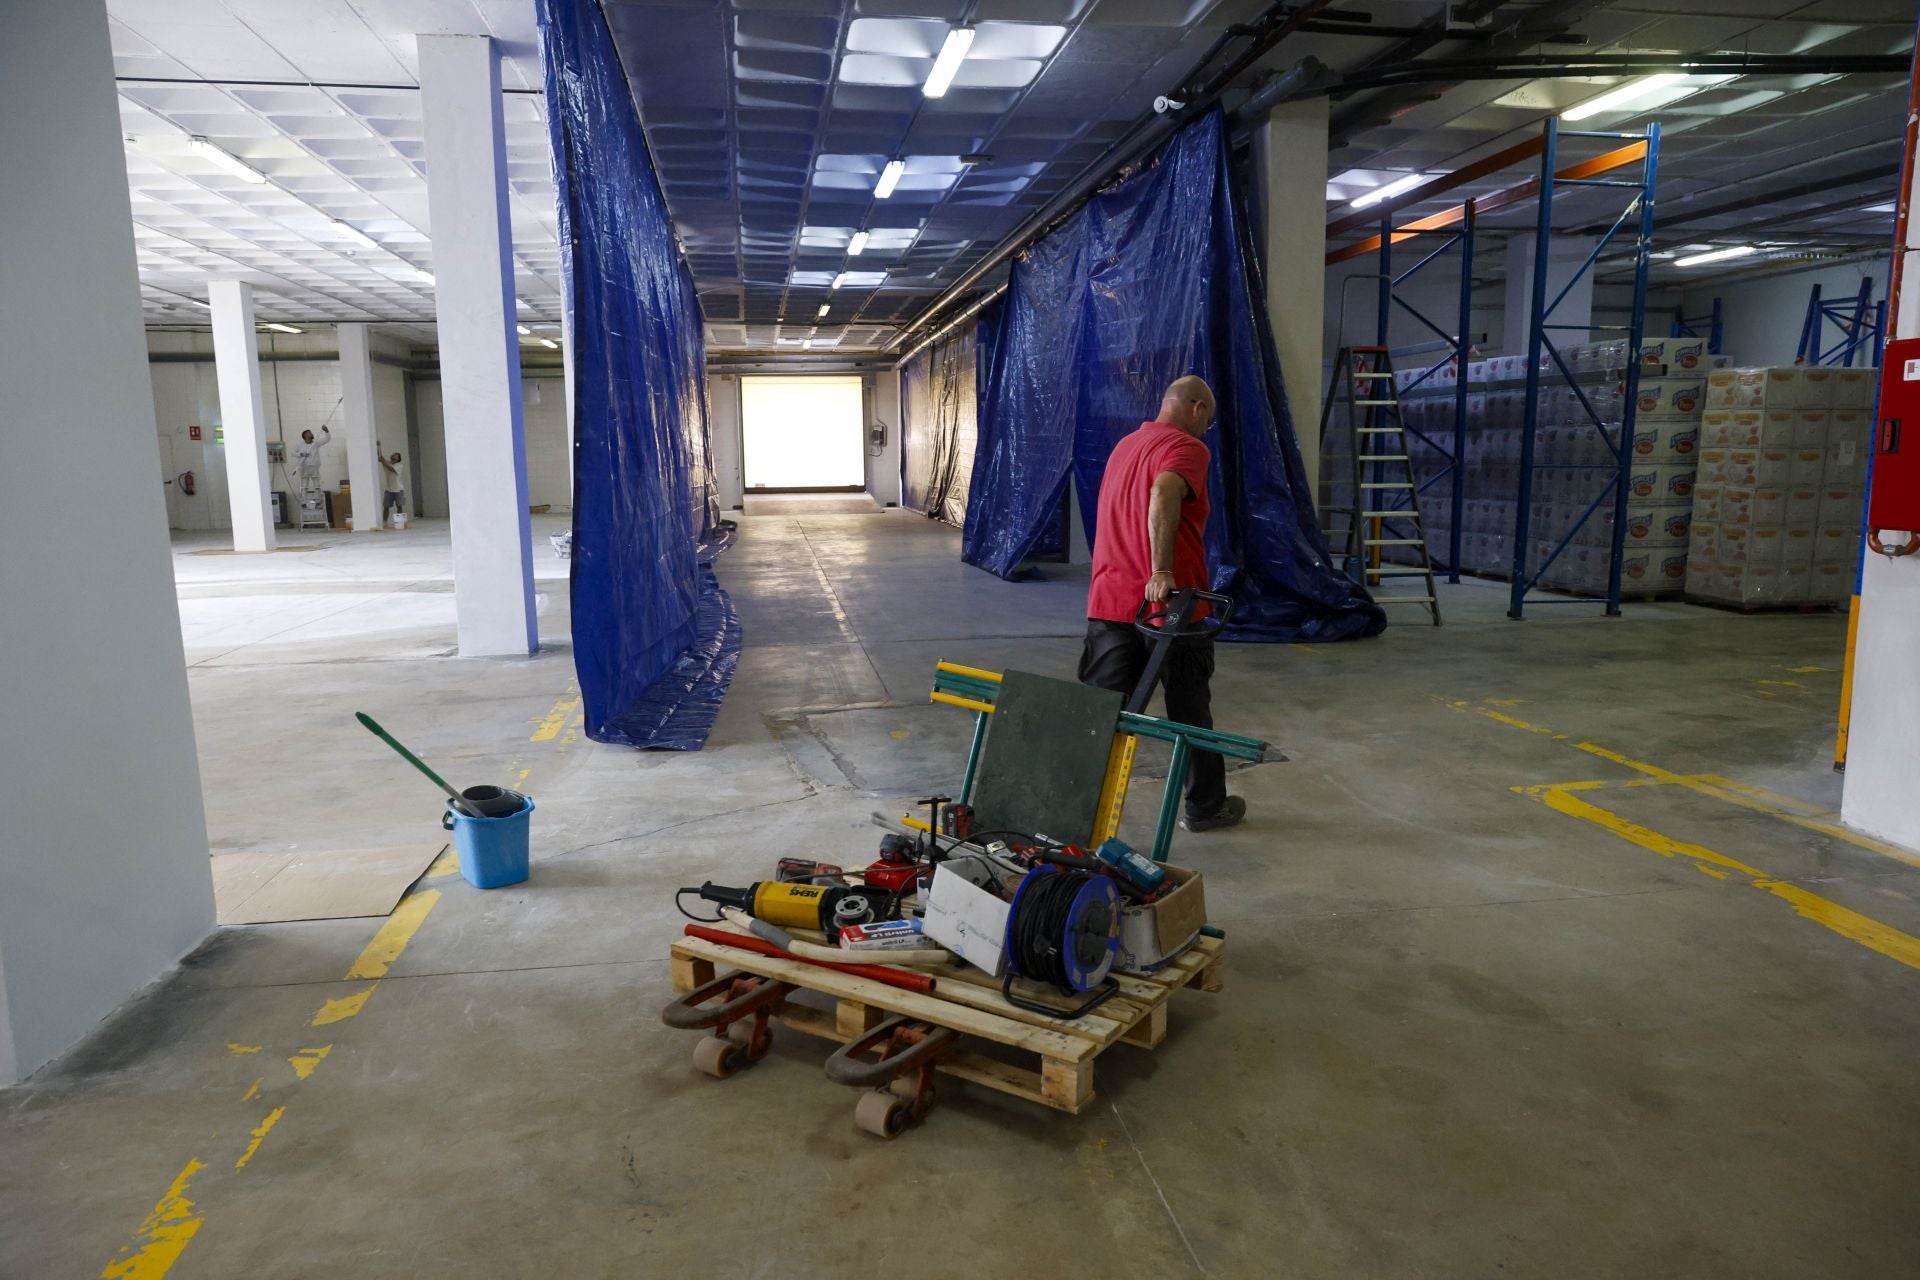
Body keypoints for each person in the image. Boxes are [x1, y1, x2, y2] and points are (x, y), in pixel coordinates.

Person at [1078, 375, 1244, 833]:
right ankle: (1206, 806)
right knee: (1190, 709)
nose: (1208, 426)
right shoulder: (1189, 449)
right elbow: (1164, 492)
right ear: (1195, 406)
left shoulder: (1125, 446)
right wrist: (1161, 570)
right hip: (1170, 607)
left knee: (1100, 712)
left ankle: (1072, 803)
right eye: (1208, 415)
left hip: (1110, 602)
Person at [380, 450, 404, 520]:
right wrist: (381, 458)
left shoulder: (399, 465)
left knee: (399, 506)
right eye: (393, 454)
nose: (393, 455)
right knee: (386, 506)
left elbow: (391, 469)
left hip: (399, 490)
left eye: (395, 455)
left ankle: (400, 521)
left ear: (398, 459)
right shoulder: (387, 463)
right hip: (388, 489)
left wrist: (383, 461)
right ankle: (385, 522)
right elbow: (383, 460)